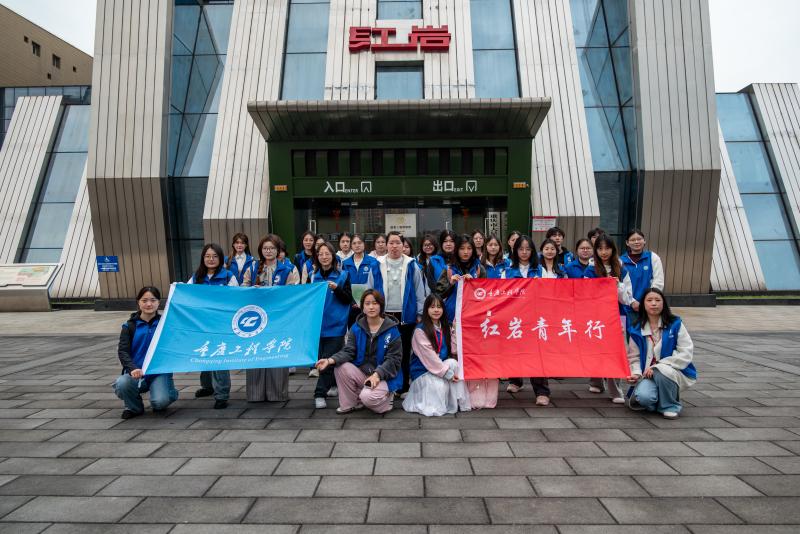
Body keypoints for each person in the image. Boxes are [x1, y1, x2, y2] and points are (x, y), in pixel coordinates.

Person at [316, 289, 403, 414]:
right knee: (340, 367)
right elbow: (348, 351)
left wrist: (377, 375)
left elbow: (393, 360)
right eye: (367, 304)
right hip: (363, 374)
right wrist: (329, 360)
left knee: (367, 398)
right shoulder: (356, 328)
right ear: (362, 307)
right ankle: (351, 403)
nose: (371, 307)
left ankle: (387, 397)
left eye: (375, 303)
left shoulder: (392, 330)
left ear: (381, 306)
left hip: (384, 376)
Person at [242, 234, 300, 402]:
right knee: (256, 352)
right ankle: (255, 394)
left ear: (278, 250)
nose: (268, 251)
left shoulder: (287, 269)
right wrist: (251, 290)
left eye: (272, 248)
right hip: (255, 319)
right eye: (265, 248)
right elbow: (242, 288)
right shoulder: (252, 268)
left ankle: (277, 393)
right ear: (261, 250)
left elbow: (293, 293)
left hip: (278, 319)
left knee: (276, 352)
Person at [626, 288, 696, 419]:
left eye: (658, 300)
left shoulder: (675, 324)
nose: (654, 303)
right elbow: (634, 357)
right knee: (644, 398)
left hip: (673, 370)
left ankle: (670, 406)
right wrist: (636, 373)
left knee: (663, 371)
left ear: (663, 303)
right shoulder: (636, 329)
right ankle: (660, 401)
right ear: (643, 304)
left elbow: (686, 351)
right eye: (649, 300)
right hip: (648, 375)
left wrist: (658, 366)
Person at [113, 286, 178, 419]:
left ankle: (170, 392)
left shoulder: (165, 325)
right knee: (122, 383)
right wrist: (132, 368)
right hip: (137, 373)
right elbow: (123, 351)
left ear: (159, 302)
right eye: (144, 300)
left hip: (158, 372)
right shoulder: (129, 326)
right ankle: (134, 408)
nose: (149, 304)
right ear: (138, 302)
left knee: (160, 403)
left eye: (153, 300)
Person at [584, 234, 634, 403]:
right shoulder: (590, 270)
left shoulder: (622, 269)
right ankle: (596, 381)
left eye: (607, 248)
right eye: (600, 248)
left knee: (614, 352)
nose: (604, 252)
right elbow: (585, 295)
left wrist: (617, 285)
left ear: (613, 249)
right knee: (595, 349)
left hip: (616, 316)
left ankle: (615, 390)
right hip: (596, 317)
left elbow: (627, 298)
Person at [403, 293, 471, 416]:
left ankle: (458, 402)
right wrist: (448, 374)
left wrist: (454, 331)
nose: (436, 310)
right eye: (432, 307)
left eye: (439, 307)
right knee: (440, 387)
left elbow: (454, 350)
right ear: (426, 309)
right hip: (422, 371)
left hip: (439, 368)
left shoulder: (445, 327)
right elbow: (430, 358)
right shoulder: (420, 330)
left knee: (453, 363)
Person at [502, 236, 550, 405]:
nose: (524, 252)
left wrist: (540, 286)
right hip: (514, 318)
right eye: (520, 249)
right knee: (514, 350)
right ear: (515, 251)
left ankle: (542, 391)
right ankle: (515, 380)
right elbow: (502, 295)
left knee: (537, 354)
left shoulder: (540, 271)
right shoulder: (507, 272)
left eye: (528, 249)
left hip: (535, 317)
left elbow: (549, 294)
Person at [378, 231, 427, 394]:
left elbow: (419, 291)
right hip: (384, 316)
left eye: (398, 243)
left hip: (405, 316)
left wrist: (419, 313)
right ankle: (387, 385)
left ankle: (404, 386)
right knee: (385, 351)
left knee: (404, 351)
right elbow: (370, 288)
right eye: (391, 243)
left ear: (403, 245)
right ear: (386, 245)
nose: (394, 246)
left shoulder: (412, 265)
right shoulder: (377, 264)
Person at [189, 243, 237, 409]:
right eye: (207, 256)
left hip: (221, 324)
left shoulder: (228, 276)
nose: (211, 259)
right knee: (205, 354)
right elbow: (186, 295)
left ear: (221, 258)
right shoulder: (196, 277)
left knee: (219, 357)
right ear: (203, 258)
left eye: (215, 256)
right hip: (202, 324)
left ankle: (221, 394)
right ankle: (207, 386)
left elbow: (237, 299)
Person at [310, 242, 353, 408]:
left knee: (327, 360)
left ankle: (319, 394)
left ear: (333, 256)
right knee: (322, 357)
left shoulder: (343, 275)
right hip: (317, 325)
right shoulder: (313, 276)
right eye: (321, 254)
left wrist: (337, 289)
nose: (324, 257)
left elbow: (348, 299)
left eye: (327, 253)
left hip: (336, 325)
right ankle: (334, 384)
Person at [435, 234, 486, 323]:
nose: (466, 252)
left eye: (469, 248)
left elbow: (485, 293)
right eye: (462, 248)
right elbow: (439, 294)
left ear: (473, 250)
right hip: (451, 316)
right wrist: (450, 284)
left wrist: (474, 283)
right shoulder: (449, 269)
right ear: (457, 250)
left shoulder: (479, 268)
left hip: (473, 315)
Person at [342, 234, 384, 327]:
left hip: (369, 304)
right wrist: (353, 302)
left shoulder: (373, 262)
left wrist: (367, 301)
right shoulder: (345, 263)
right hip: (351, 306)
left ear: (364, 244)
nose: (357, 245)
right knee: (353, 330)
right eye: (354, 243)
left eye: (359, 243)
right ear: (351, 246)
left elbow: (376, 284)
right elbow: (344, 285)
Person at [621, 229, 665, 313]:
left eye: (639, 239)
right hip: (626, 307)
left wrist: (649, 300)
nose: (636, 242)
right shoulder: (620, 261)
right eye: (633, 240)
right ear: (627, 243)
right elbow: (619, 285)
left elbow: (658, 281)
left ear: (644, 241)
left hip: (648, 306)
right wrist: (632, 302)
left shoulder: (653, 257)